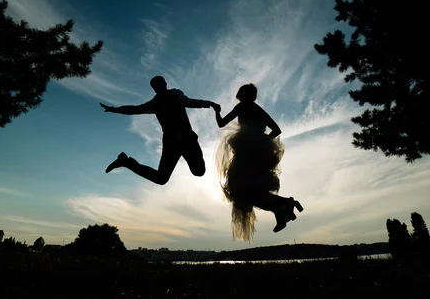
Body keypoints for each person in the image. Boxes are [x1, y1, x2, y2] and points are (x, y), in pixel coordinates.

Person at [213, 83, 303, 243]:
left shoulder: (241, 107)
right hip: (260, 152)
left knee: (240, 189)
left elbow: (221, 123)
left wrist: (217, 112)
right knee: (251, 190)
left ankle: (283, 206)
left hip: (247, 152)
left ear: (241, 94)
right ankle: (283, 206)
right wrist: (263, 142)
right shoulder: (259, 109)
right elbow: (276, 130)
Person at [100, 76, 219, 185]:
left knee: (199, 172)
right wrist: (114, 109)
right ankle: (125, 162)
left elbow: (190, 102)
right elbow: (135, 109)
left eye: (159, 85)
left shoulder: (175, 94)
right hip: (171, 143)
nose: (158, 88)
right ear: (154, 89)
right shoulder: (155, 103)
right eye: (156, 86)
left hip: (187, 139)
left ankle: (125, 162)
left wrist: (209, 103)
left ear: (165, 84)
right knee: (161, 178)